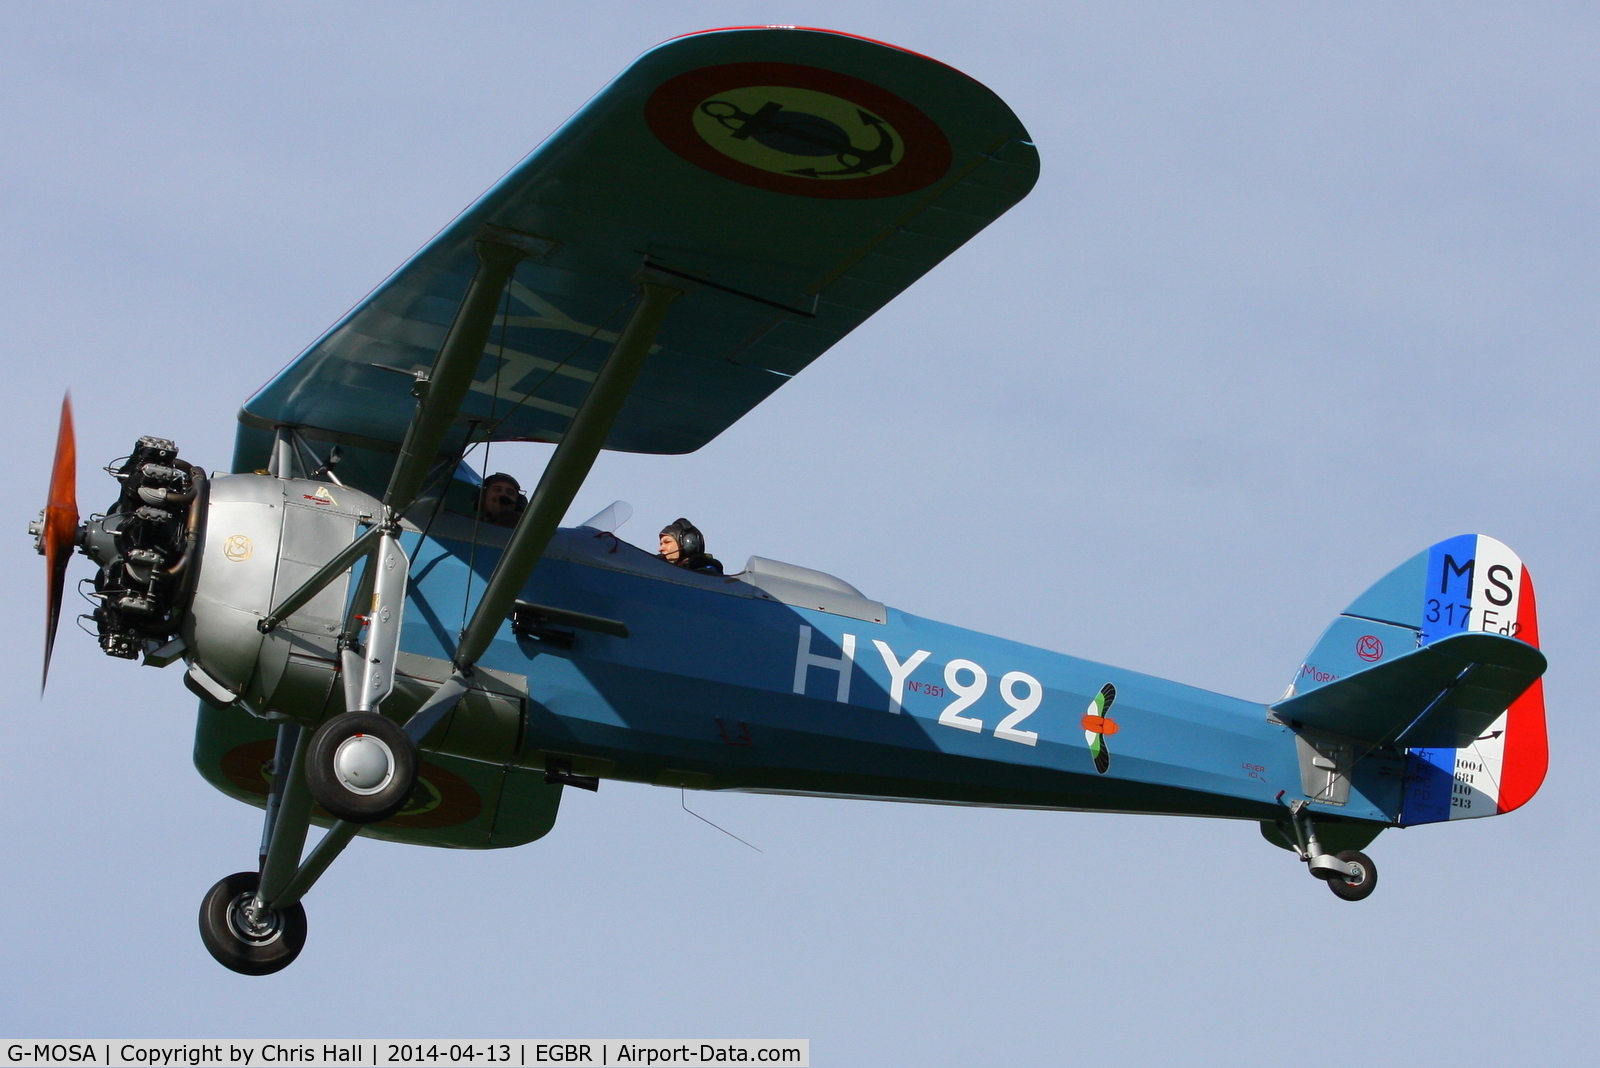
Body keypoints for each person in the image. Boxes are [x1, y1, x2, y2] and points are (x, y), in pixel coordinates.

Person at [658, 517, 723, 574]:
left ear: (688, 543)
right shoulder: (662, 571)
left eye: (667, 542)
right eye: (661, 544)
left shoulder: (707, 573)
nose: (660, 549)